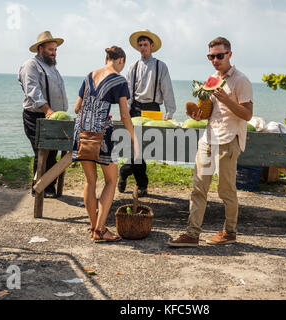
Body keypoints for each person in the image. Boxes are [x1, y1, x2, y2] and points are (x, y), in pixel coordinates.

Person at [168, 37, 253, 247]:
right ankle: (192, 234)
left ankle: (230, 232)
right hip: (208, 139)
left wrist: (227, 100)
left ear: (230, 55)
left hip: (228, 139)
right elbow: (209, 112)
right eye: (211, 56)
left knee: (226, 190)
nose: (215, 60)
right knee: (198, 188)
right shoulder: (212, 79)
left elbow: (248, 115)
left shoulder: (241, 80)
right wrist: (198, 115)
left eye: (219, 55)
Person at [73, 46, 139, 242]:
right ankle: (101, 230)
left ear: (106, 59)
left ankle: (93, 227)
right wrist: (133, 138)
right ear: (121, 61)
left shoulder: (88, 76)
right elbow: (125, 115)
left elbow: (77, 108)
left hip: (82, 132)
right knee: (111, 180)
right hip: (101, 135)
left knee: (90, 181)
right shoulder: (120, 80)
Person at [118, 29, 177, 197]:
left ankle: (124, 171)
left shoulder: (161, 66)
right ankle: (142, 185)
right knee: (135, 149)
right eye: (140, 45)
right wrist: (125, 113)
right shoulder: (132, 67)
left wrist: (170, 112)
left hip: (153, 110)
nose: (143, 48)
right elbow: (127, 92)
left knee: (144, 150)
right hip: (135, 109)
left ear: (152, 46)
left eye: (145, 45)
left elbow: (167, 90)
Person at [18, 31, 68, 198]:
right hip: (36, 116)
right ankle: (37, 187)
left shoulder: (52, 68)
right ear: (40, 49)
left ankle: (48, 186)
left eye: (55, 50)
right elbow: (33, 91)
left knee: (53, 151)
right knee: (42, 151)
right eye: (50, 49)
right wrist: (47, 110)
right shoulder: (30, 65)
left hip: (54, 117)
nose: (54, 52)